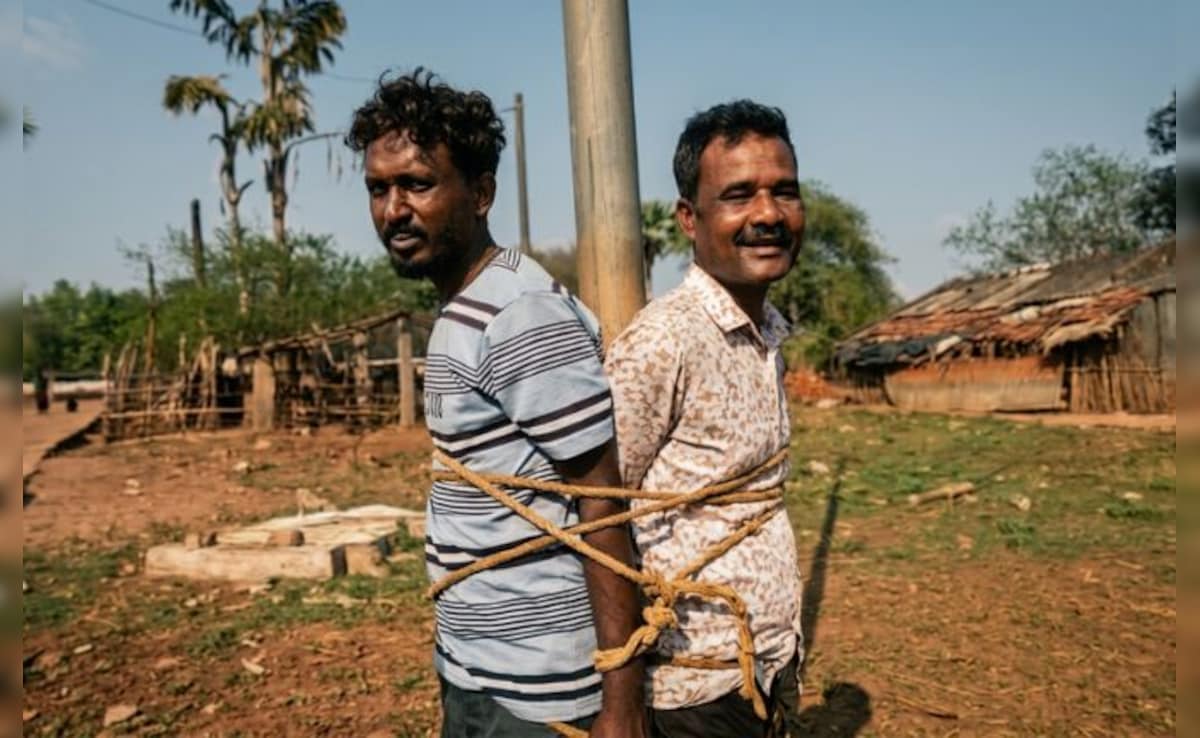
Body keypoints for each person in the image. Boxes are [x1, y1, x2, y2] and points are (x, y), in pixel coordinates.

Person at [346, 69, 646, 738]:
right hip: (482, 668)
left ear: (480, 193)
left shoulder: (518, 315)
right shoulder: (469, 307)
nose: (394, 210)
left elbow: (601, 500)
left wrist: (621, 699)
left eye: (417, 185)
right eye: (378, 188)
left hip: (535, 693)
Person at [604, 100, 806, 738]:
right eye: (739, 195)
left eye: (785, 192)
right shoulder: (665, 340)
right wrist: (621, 698)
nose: (768, 215)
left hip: (763, 666)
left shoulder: (763, 331)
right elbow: (597, 516)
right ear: (690, 219)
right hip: (691, 688)